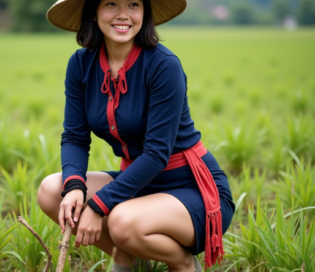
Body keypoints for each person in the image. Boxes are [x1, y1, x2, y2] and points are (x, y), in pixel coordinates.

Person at [37, 1, 235, 271]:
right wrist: (74, 187)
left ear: (145, 12)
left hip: (192, 188)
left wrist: (97, 206)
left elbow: (155, 154)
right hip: (138, 184)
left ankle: (183, 262)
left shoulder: (164, 66)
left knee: (120, 220)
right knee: (52, 191)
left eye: (133, 3)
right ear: (93, 12)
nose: (123, 14)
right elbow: (74, 137)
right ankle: (128, 257)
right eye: (111, 3)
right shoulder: (81, 64)